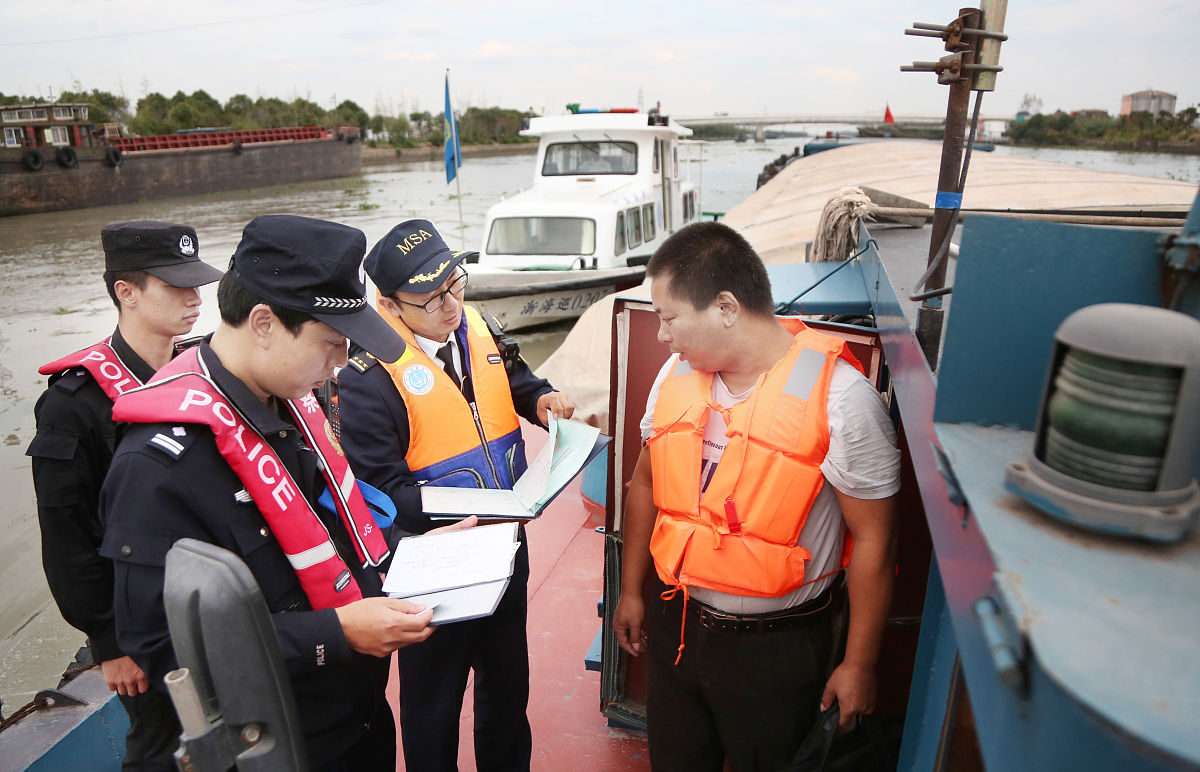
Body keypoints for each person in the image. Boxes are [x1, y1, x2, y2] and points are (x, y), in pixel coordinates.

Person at [98, 215, 454, 771]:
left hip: (354, 724)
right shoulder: (158, 466)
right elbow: (166, 649)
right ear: (263, 323)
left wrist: (415, 547)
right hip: (270, 745)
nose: (339, 364)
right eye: (330, 344)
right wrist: (335, 634)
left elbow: (333, 529)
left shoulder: (291, 407)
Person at [611, 222, 900, 772]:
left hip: (777, 650)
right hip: (679, 626)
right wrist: (632, 591)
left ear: (725, 307)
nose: (662, 336)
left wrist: (860, 663)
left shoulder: (841, 399)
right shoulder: (677, 376)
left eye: (670, 318)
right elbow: (646, 482)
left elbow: (875, 541)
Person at [336, 219, 574, 771]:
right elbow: (386, 495)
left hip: (507, 547)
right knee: (433, 706)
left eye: (455, 284)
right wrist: (485, 511)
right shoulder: (365, 378)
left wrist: (543, 400)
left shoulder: (476, 323)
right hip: (436, 563)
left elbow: (517, 381)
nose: (449, 306)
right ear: (389, 305)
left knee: (509, 689)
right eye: (430, 298)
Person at [27, 220, 222, 768]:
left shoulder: (204, 373)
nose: (194, 298)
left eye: (196, 283)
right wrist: (109, 640)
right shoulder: (75, 403)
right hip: (142, 625)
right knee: (163, 748)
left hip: (210, 602)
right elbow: (66, 535)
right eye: (176, 286)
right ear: (126, 292)